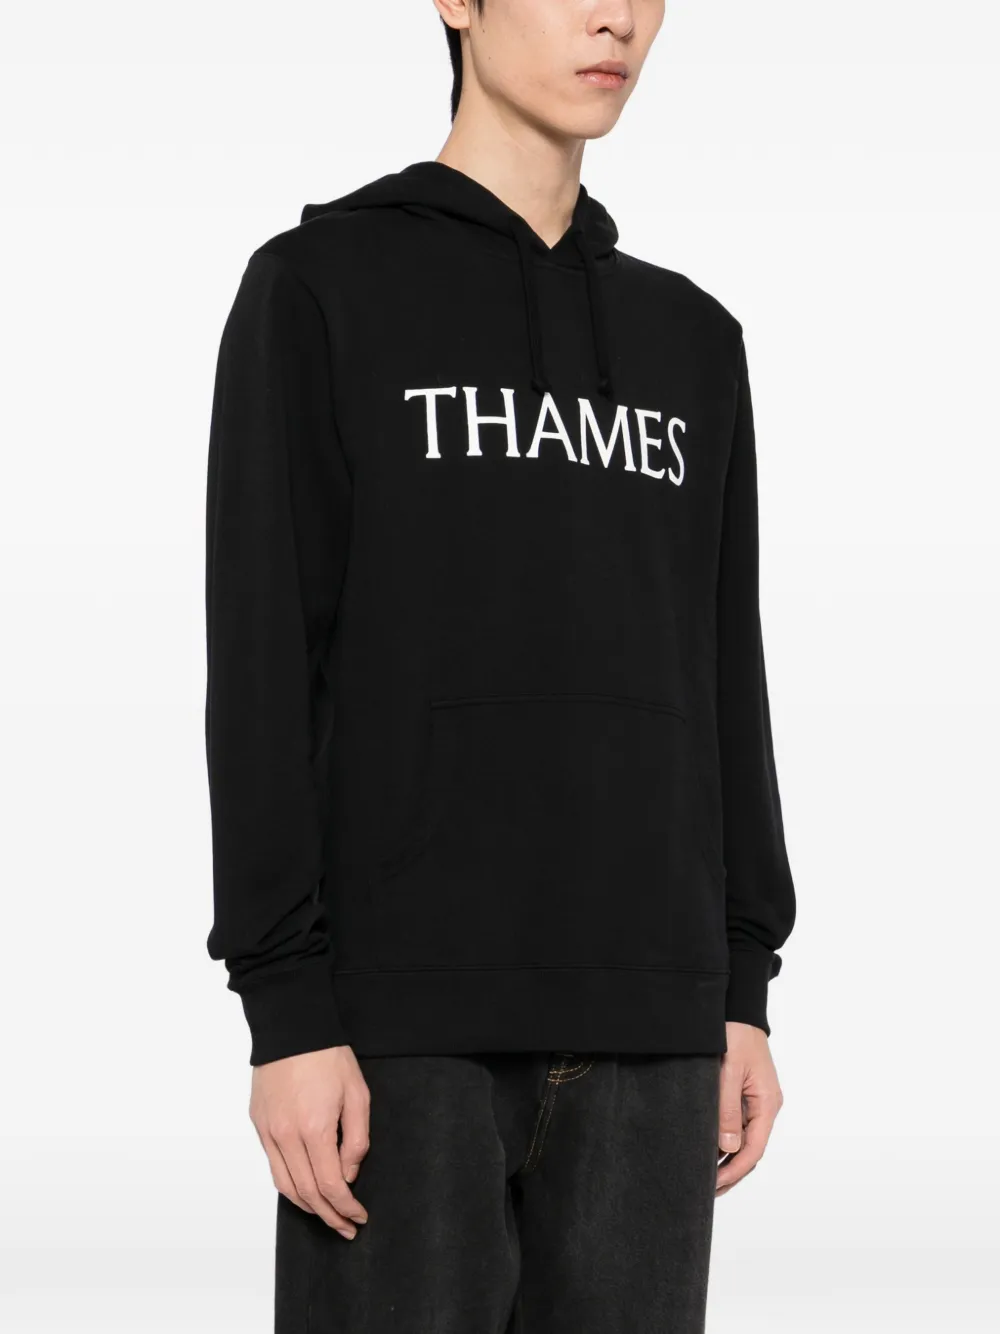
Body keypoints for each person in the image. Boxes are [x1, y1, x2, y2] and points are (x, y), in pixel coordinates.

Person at [203, 1, 797, 1329]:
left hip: (652, 1028)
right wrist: (287, 1010)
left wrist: (740, 987)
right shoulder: (320, 289)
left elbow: (722, 675)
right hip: (398, 1035)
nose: (617, 17)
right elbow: (260, 662)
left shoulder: (691, 342)